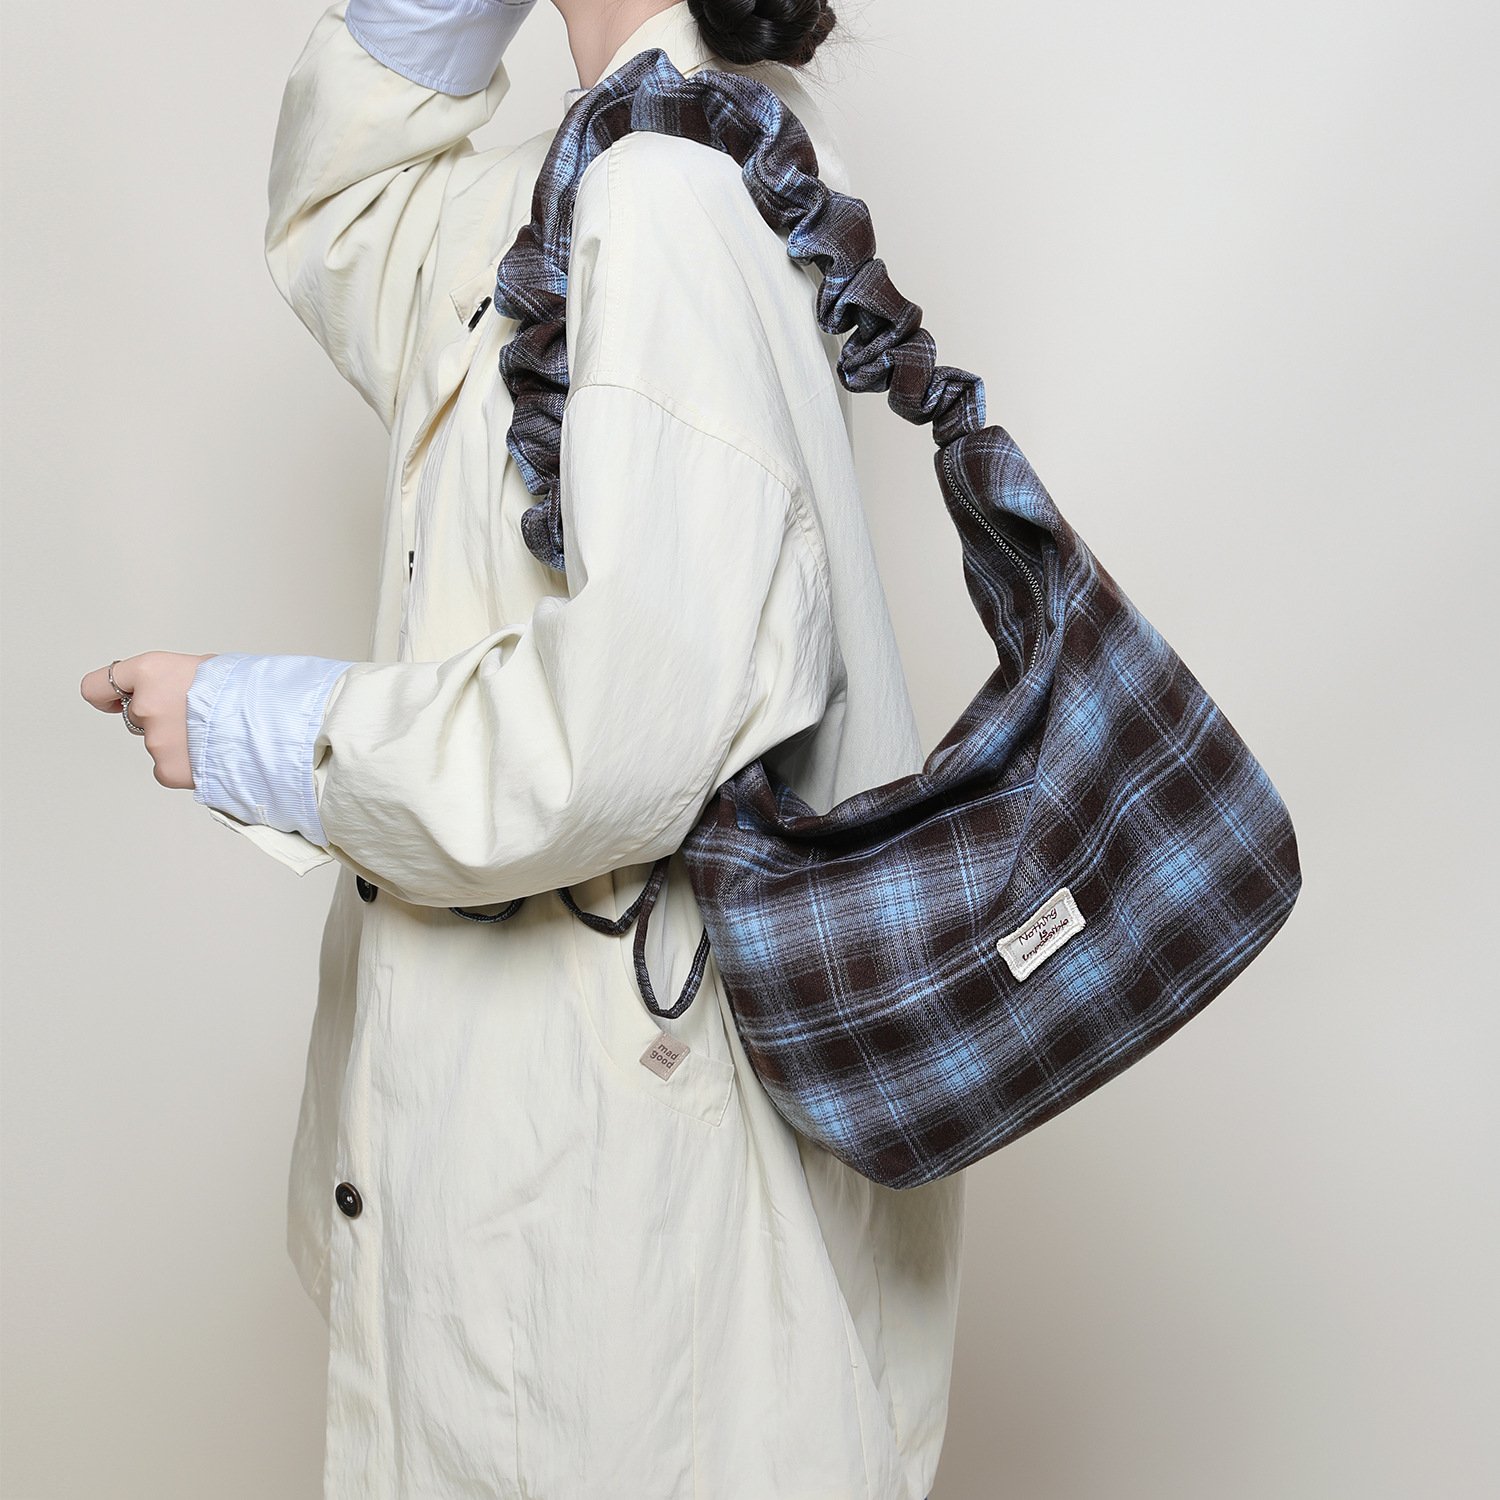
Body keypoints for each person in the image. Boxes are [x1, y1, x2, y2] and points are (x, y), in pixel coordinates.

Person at [82, 2, 964, 1494]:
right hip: (559, 1140)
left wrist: (261, 729)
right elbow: (353, 223)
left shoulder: (665, 192)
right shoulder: (652, 152)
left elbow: (622, 731)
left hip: (608, 1163)